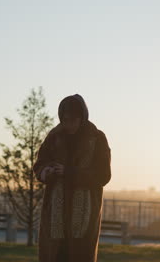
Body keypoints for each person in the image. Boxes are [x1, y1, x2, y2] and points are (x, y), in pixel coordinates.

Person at [33, 94, 111, 262]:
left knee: (79, 255)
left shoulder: (96, 138)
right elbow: (39, 164)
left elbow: (103, 175)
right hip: (55, 211)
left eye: (73, 119)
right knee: (54, 255)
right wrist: (45, 172)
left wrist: (70, 173)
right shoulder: (54, 136)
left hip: (84, 213)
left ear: (82, 117)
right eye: (65, 119)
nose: (69, 124)